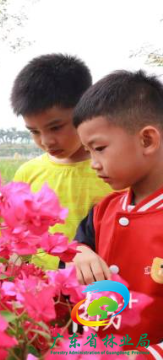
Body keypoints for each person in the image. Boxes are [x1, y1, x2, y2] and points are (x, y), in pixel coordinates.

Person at [73, 70, 163, 343]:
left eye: (99, 148)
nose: (93, 163)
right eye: (88, 151)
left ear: (147, 140)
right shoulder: (103, 211)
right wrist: (78, 253)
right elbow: (77, 247)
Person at [10, 53, 113, 270]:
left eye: (56, 127)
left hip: (97, 295)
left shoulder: (112, 172)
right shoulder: (28, 174)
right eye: (34, 131)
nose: (46, 141)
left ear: (85, 110)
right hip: (39, 292)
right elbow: (19, 237)